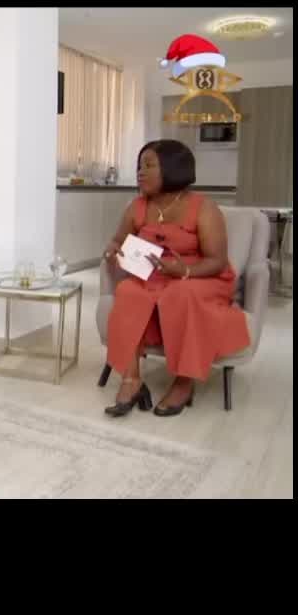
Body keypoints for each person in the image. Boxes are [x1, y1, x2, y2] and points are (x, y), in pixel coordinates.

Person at [102, 140, 250, 417]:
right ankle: (131, 380)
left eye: (149, 165)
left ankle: (184, 381)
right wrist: (112, 251)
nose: (140, 172)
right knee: (128, 291)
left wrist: (183, 271)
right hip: (154, 278)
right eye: (139, 166)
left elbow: (216, 261)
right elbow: (118, 240)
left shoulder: (203, 208)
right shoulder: (137, 207)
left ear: (172, 169)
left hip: (200, 277)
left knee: (181, 293)